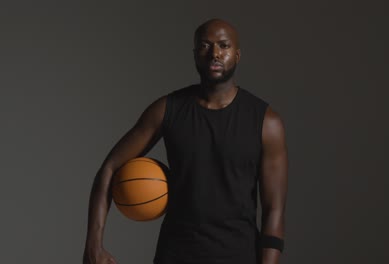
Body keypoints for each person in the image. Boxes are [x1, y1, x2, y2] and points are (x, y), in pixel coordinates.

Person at [83, 18, 288, 264]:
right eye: (205, 45)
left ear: (237, 54)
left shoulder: (266, 122)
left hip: (239, 256)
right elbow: (109, 168)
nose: (215, 53)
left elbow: (274, 210)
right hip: (176, 255)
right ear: (195, 54)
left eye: (224, 46)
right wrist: (93, 246)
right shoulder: (167, 110)